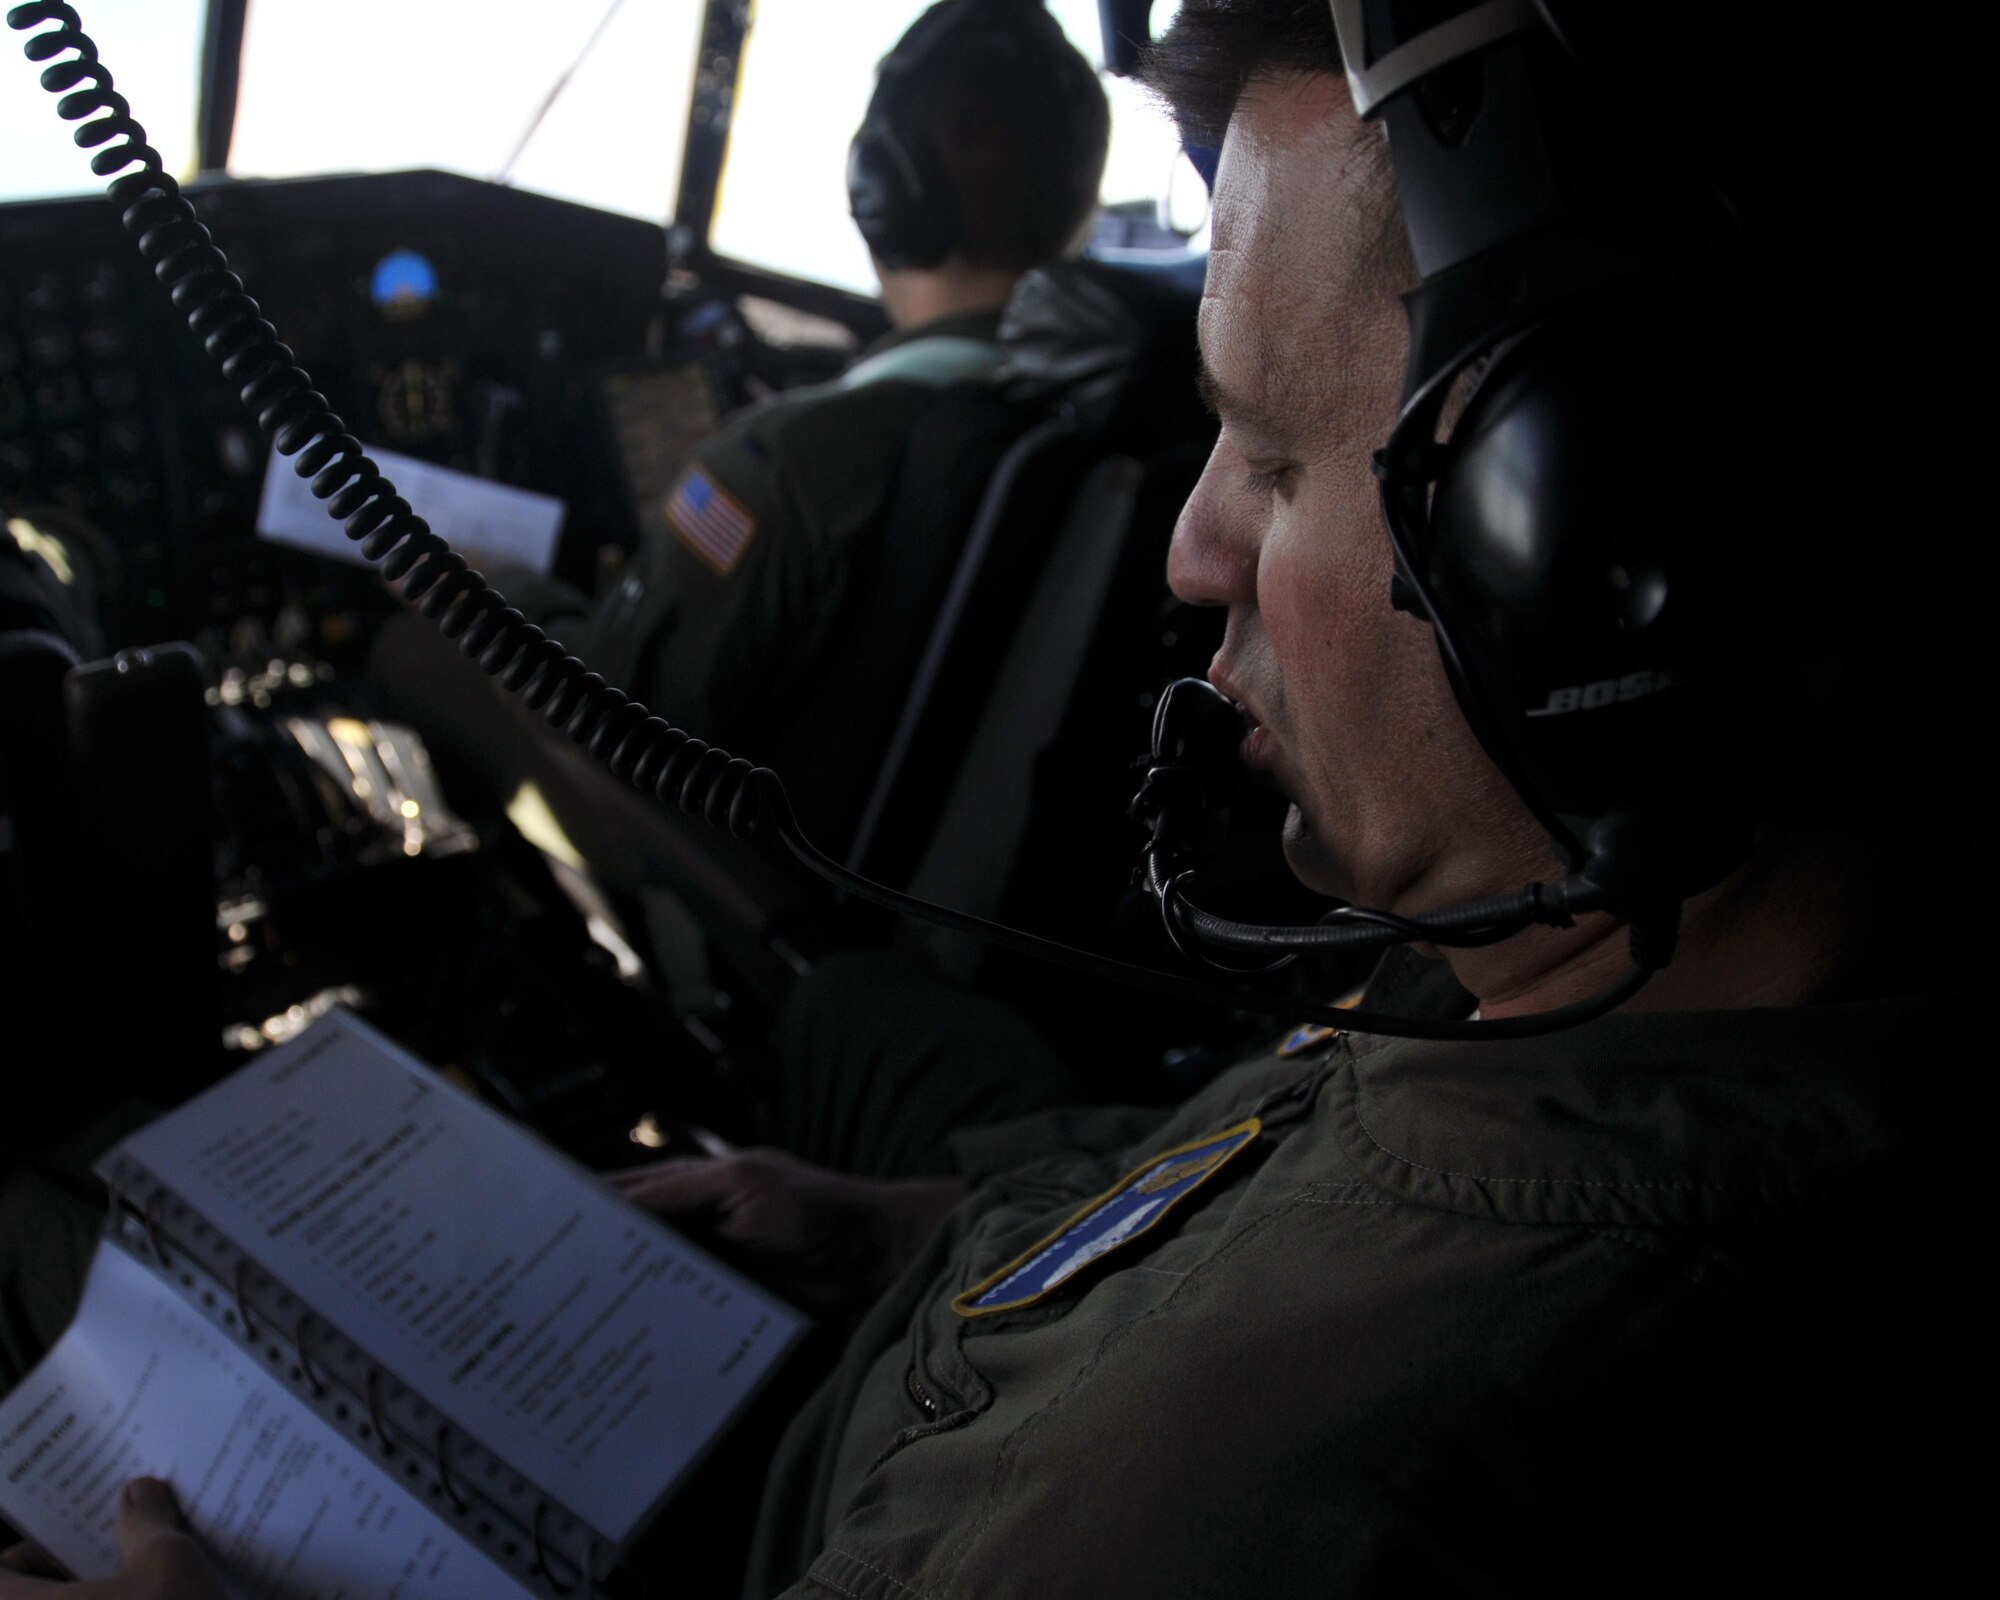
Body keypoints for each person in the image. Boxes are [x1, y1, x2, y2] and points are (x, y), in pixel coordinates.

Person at [7, 1, 1963, 1595]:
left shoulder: (1233, 1494)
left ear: (1613, 560)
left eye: (1275, 462)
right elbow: (1264, 1174)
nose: (1195, 546)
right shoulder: (1561, 973)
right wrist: (927, 1228)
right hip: (890, 1318)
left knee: (47, 1191)